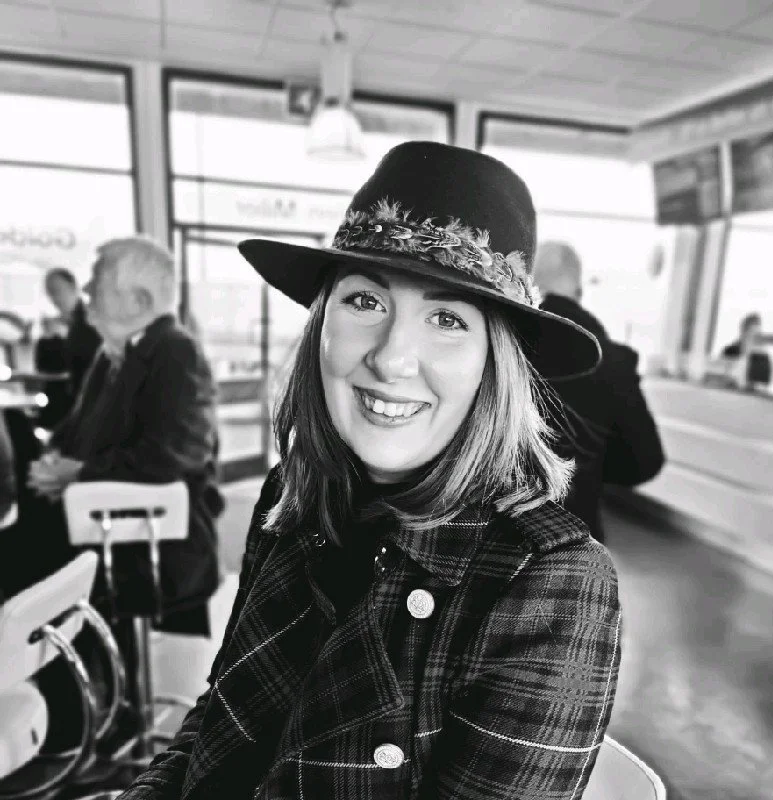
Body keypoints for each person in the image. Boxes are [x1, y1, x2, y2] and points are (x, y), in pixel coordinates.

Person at [117, 142, 621, 800]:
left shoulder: (549, 583)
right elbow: (218, 718)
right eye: (364, 302)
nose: (392, 359)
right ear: (321, 324)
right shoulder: (292, 496)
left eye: (446, 319)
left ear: (492, 364)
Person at [26, 236, 223, 750]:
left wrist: (76, 472)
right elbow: (74, 433)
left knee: (20, 565)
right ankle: (86, 720)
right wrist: (57, 461)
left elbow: (172, 456)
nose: (85, 291)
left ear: (138, 302)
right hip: (106, 527)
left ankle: (75, 729)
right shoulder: (115, 354)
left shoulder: (173, 351)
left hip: (150, 541)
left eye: (97, 281)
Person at [534, 241, 664, 543]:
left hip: (488, 536)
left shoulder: (498, 344)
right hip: (575, 542)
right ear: (579, 293)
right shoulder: (613, 361)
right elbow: (644, 461)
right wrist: (588, 471)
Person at [44, 266, 102, 398]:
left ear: (73, 287)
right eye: (50, 293)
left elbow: (83, 361)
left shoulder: (91, 320)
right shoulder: (62, 323)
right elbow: (47, 369)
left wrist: (61, 337)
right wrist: (50, 338)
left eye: (57, 291)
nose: (55, 298)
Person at [721, 312, 772, 390]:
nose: (753, 338)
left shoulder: (763, 358)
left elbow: (763, 387)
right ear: (742, 332)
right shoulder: (729, 351)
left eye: (757, 335)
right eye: (750, 333)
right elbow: (720, 377)